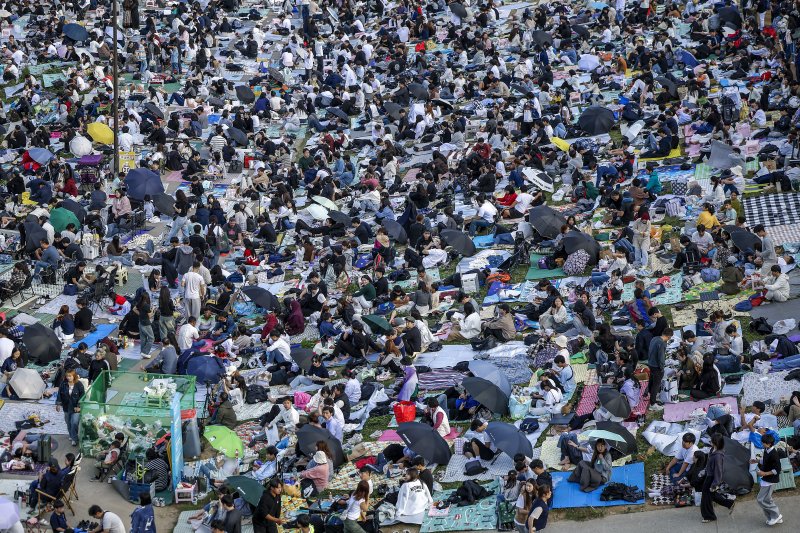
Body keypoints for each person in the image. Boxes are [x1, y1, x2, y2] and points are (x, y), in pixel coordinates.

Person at [700, 434, 735, 522]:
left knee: (706, 497)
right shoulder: (713, 450)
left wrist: (715, 484)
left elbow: (718, 471)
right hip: (709, 475)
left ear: (715, 442)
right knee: (711, 495)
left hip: (712, 478)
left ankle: (709, 516)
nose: (710, 441)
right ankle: (729, 503)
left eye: (711, 440)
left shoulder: (718, 455)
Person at [751, 432, 782, 526]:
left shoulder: (774, 454)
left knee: (761, 500)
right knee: (767, 499)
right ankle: (774, 517)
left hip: (770, 480)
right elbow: (765, 460)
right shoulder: (766, 449)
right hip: (766, 479)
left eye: (763, 442)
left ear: (769, 444)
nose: (762, 444)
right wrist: (756, 460)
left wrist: (764, 473)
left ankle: (776, 515)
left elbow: (777, 470)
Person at [57, 370, 84, 446]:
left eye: (70, 376)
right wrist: (58, 404)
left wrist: (79, 406)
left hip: (75, 408)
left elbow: (82, 396)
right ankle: (72, 435)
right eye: (67, 376)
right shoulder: (63, 384)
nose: (68, 377)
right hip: (66, 407)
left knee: (74, 422)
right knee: (68, 422)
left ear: (74, 376)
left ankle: (74, 439)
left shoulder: (79, 384)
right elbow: (59, 394)